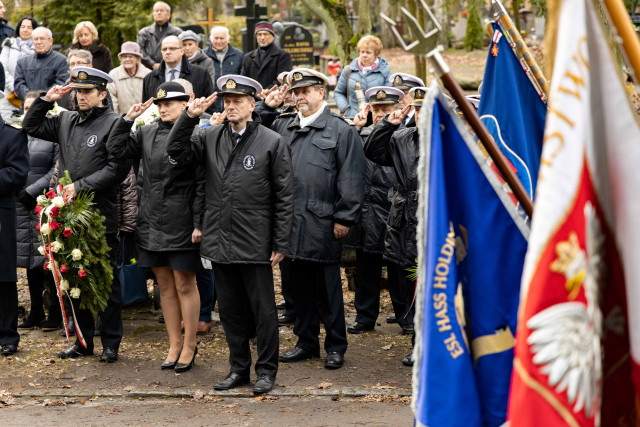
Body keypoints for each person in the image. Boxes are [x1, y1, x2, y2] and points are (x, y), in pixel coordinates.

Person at [166, 75, 293, 394]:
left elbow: (284, 194)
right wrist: (189, 117)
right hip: (220, 239)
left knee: (263, 311)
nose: (232, 105)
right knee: (232, 311)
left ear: (253, 105)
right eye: (228, 100)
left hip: (256, 240)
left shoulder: (270, 140)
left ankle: (266, 371)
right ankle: (239, 368)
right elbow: (176, 152)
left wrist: (280, 241)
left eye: (238, 101)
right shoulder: (210, 137)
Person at [258, 68, 365, 370]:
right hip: (288, 222)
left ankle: (335, 345)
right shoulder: (283, 126)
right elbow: (254, 133)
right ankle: (306, 341)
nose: (300, 97)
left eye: (306, 91)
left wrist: (344, 217)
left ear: (321, 92)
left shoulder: (341, 130)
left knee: (328, 289)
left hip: (323, 221)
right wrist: (267, 107)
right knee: (297, 287)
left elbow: (352, 177)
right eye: (296, 92)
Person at [22, 67, 130, 362]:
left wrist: (79, 186)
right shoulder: (66, 120)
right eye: (78, 91)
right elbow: (30, 126)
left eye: (88, 92)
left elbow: (116, 169)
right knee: (74, 277)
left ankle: (110, 343)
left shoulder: (114, 123)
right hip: (68, 215)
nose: (81, 96)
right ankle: (83, 341)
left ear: (102, 95)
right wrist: (46, 100)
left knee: (104, 281)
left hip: (98, 214)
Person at [107, 82, 204, 372]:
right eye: (160, 104)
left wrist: (199, 223)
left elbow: (202, 184)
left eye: (170, 103)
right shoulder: (146, 132)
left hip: (182, 221)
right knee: (163, 285)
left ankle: (189, 344)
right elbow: (115, 149)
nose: (163, 108)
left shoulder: (195, 135)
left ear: (185, 104)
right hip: (150, 221)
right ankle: (174, 344)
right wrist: (127, 120)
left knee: (185, 283)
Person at [364, 86, 428, 366]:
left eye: (428, 110)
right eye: (418, 110)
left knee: (435, 284)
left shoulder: (450, 139)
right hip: (406, 218)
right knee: (412, 282)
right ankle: (417, 343)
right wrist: (389, 124)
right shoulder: (403, 137)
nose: (422, 116)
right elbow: (374, 152)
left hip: (434, 217)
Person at [345, 86, 409, 335]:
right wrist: (356, 129)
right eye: (377, 109)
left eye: (386, 109)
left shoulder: (405, 136)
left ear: (396, 110)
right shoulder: (361, 134)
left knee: (397, 268)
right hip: (366, 212)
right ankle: (365, 316)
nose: (381, 114)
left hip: (393, 210)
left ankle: (404, 315)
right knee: (365, 267)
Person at [15, 90, 61, 331]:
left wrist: (32, 190)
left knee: (47, 259)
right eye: (25, 108)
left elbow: (55, 168)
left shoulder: (53, 135)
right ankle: (35, 311)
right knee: (29, 260)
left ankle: (54, 311)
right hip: (21, 204)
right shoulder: (19, 135)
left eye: (34, 108)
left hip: (43, 202)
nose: (28, 112)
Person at [0, 90, 28, 356]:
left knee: (4, 279)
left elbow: (17, 174)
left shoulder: (12, 134)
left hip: (1, 215)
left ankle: (8, 335)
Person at [142, 36, 213, 112]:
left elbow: (209, 105)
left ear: (182, 51)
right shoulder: (149, 78)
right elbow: (145, 109)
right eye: (164, 49)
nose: (168, 52)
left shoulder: (200, 74)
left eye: (172, 48)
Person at [334, 35, 391, 119]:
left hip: (376, 118)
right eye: (362, 52)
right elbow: (338, 92)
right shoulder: (349, 70)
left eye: (368, 52)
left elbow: (389, 96)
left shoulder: (384, 70)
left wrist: (379, 111)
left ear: (376, 54)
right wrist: (346, 110)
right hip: (353, 117)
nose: (364, 55)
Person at [14, 27, 69, 101]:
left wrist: (44, 98)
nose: (39, 42)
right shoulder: (22, 62)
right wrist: (31, 98)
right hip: (28, 105)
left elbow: (61, 83)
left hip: (52, 105)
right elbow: (18, 84)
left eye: (42, 39)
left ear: (51, 41)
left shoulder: (62, 61)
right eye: (36, 39)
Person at [0, 16, 38, 119]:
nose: (25, 30)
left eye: (29, 27)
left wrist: (23, 90)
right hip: (10, 95)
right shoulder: (9, 44)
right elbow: (3, 68)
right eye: (23, 26)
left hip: (31, 95)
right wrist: (15, 87)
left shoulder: (38, 47)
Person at [241, 22, 292, 90]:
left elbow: (282, 79)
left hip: (274, 96)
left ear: (273, 36)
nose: (262, 38)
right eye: (259, 34)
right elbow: (244, 80)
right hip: (253, 97)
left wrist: (266, 91)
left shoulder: (283, 56)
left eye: (266, 34)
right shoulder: (248, 57)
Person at [204, 26, 243, 113]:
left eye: (222, 38)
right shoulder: (203, 55)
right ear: (211, 39)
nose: (219, 41)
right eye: (216, 38)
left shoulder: (239, 55)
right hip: (210, 104)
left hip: (232, 103)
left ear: (228, 39)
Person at [107, 42, 151, 116]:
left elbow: (151, 98)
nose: (127, 59)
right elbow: (112, 99)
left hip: (144, 119)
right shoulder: (113, 74)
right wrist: (115, 119)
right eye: (124, 57)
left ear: (137, 59)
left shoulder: (148, 74)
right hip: (122, 118)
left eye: (131, 56)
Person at [137, 1, 183, 70]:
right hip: (148, 70)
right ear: (153, 14)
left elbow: (181, 50)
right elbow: (140, 50)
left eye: (161, 11)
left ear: (168, 15)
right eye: (156, 11)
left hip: (172, 68)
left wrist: (166, 64)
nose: (159, 13)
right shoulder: (144, 33)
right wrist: (152, 64)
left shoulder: (177, 32)